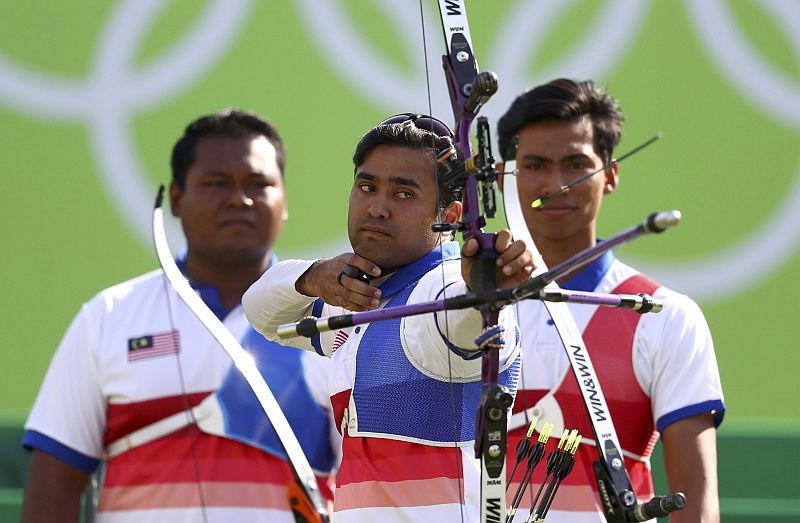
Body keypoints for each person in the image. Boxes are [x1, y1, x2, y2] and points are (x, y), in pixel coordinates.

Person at [21, 109, 338, 522]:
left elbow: (368, 481)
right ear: (175, 199)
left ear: (284, 202)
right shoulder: (109, 317)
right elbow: (54, 486)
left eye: (258, 184)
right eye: (216, 183)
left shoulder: (335, 323)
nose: (239, 199)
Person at [242, 113, 536, 522]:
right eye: (367, 187)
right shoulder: (360, 296)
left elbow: (459, 318)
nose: (377, 208)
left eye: (403, 194)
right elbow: (261, 311)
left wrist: (483, 289)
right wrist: (314, 277)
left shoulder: (441, 289)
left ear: (450, 217)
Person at [496, 79, 725, 522]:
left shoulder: (664, 316)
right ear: (506, 177)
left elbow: (695, 502)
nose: (557, 184)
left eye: (576, 164)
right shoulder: (459, 306)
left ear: (611, 175)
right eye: (536, 165)